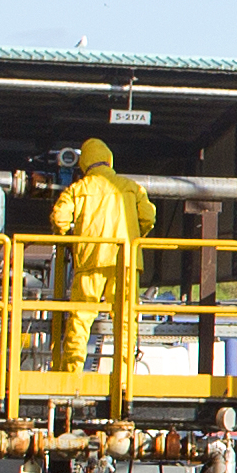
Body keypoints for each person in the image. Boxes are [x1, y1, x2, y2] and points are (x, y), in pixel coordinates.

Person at [50, 137, 154, 392]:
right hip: (126, 263)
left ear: (84, 163)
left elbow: (59, 218)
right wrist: (134, 234)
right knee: (126, 320)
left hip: (90, 262)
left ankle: (71, 375)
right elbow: (149, 217)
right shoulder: (131, 187)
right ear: (109, 159)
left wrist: (67, 239)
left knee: (80, 319)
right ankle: (124, 376)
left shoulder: (78, 188)